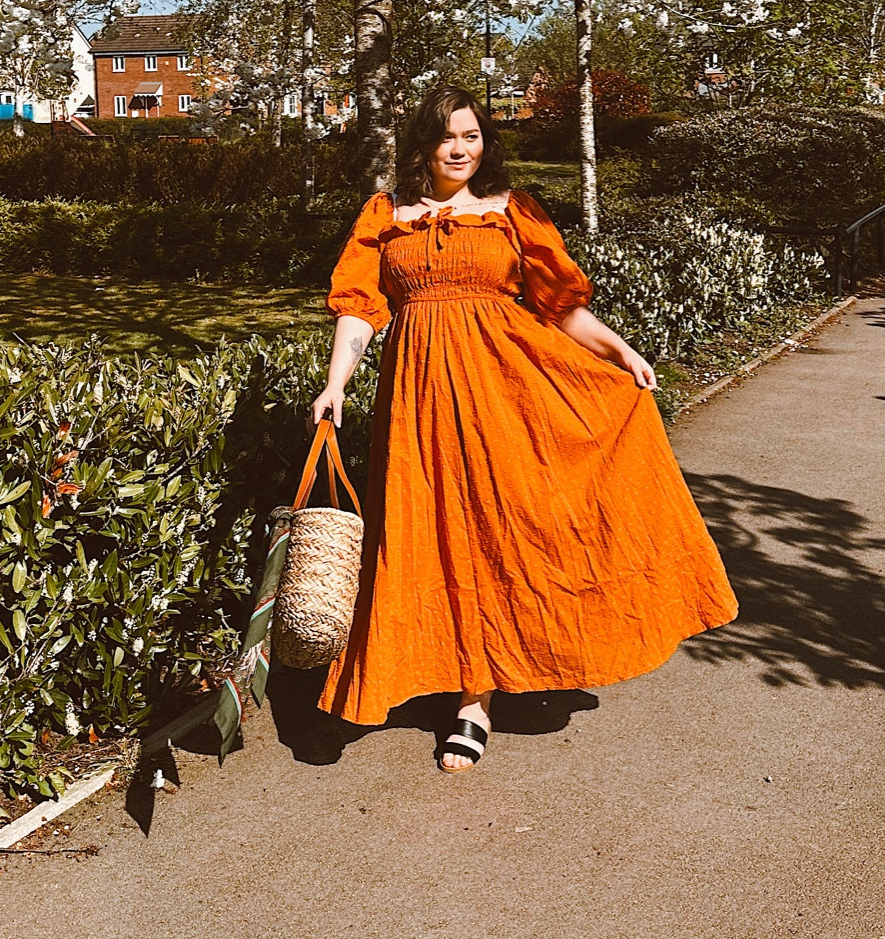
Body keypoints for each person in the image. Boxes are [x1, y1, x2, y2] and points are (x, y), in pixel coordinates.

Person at [310, 84, 737, 773]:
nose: (458, 149)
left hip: (506, 391)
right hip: (418, 397)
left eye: (471, 136)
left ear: (485, 144)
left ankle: (474, 703)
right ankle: (427, 672)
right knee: (428, 531)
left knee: (496, 529)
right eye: (446, 137)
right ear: (421, 143)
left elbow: (560, 307)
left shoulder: (511, 213)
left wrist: (619, 350)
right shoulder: (386, 215)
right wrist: (336, 383)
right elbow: (358, 308)